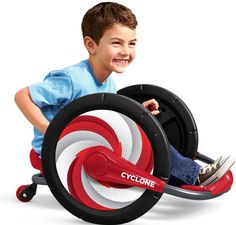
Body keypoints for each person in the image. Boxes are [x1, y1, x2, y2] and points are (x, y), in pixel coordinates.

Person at [15, 2, 234, 187]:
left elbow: (107, 115)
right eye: (116, 43)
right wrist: (51, 130)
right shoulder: (72, 79)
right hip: (56, 152)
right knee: (140, 144)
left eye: (131, 44)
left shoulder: (107, 80)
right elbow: (22, 96)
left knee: (143, 133)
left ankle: (186, 175)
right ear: (91, 45)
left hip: (85, 141)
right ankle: (193, 176)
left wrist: (139, 110)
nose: (126, 52)